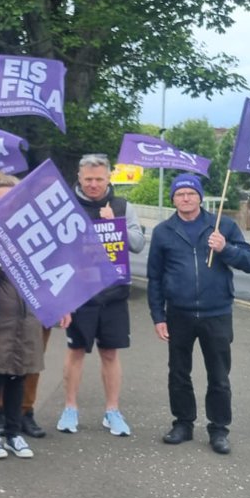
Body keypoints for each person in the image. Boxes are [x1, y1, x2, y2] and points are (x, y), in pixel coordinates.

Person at [147, 174, 250, 455]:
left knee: (219, 375)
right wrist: (158, 316)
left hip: (216, 313)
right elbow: (155, 278)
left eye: (190, 193)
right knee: (178, 373)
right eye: (180, 194)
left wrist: (226, 248)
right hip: (179, 314)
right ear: (173, 198)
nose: (185, 198)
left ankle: (219, 429)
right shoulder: (163, 231)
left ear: (200, 196)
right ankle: (183, 424)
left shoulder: (222, 225)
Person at [0, 173, 69, 462]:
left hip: (27, 318)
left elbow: (52, 271)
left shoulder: (33, 233)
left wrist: (61, 303)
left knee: (18, 374)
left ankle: (13, 433)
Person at [57, 153, 146, 437]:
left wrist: (116, 223)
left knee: (110, 353)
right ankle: (70, 408)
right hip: (79, 295)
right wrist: (62, 301)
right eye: (88, 179)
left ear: (108, 178)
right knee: (75, 353)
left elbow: (138, 244)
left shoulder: (122, 206)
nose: (93, 184)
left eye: (99, 179)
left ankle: (112, 412)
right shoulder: (66, 206)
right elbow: (58, 252)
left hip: (113, 294)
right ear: (79, 179)